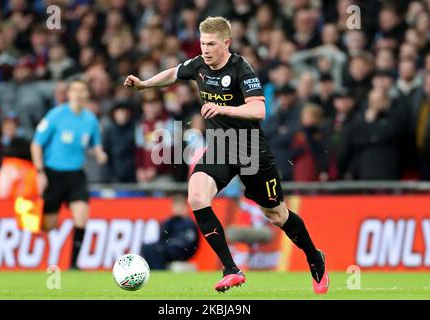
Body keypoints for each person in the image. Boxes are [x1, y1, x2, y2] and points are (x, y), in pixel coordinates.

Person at [124, 16, 329, 293]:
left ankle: (315, 258)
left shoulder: (241, 68)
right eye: (202, 43)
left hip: (251, 148)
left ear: (226, 43)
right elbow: (174, 73)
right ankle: (231, 269)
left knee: (276, 214)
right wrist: (145, 84)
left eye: (211, 44)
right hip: (221, 145)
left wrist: (224, 109)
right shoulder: (198, 65)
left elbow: (259, 110)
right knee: (196, 196)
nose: (205, 49)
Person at [30, 79, 107, 269]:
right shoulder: (56, 115)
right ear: (69, 94)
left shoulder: (91, 119)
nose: (79, 95)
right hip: (53, 173)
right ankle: (46, 261)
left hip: (75, 175)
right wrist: (40, 172)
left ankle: (74, 264)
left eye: (83, 91)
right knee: (49, 224)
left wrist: (99, 154)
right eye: (76, 90)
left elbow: (95, 144)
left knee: (81, 217)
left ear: (87, 95)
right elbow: (36, 144)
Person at [141, 193, 199, 270]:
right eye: (176, 206)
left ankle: (159, 271)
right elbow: (162, 238)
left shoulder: (189, 223)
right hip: (169, 248)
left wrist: (170, 244)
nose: (178, 209)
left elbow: (189, 243)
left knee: (158, 250)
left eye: (180, 206)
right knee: (147, 247)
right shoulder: (169, 222)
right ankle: (152, 271)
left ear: (186, 208)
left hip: (182, 251)